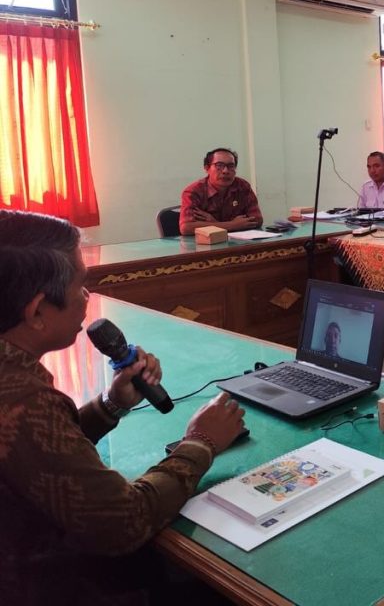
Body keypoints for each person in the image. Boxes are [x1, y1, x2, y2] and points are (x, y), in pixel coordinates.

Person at [0, 210, 245, 602]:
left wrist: (111, 404)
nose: (87, 296)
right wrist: (201, 442)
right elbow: (122, 522)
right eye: (80, 285)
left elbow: (35, 456)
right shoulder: (25, 402)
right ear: (37, 312)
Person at [179, 147, 263, 235]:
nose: (225, 171)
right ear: (207, 168)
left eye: (231, 166)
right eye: (219, 165)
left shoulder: (242, 186)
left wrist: (215, 223)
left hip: (238, 241)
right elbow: (186, 228)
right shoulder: (194, 191)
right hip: (205, 242)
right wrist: (233, 225)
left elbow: (257, 219)